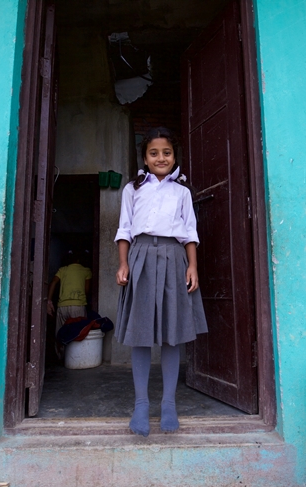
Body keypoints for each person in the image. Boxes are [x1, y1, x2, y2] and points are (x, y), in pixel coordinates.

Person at [115, 127, 208, 436]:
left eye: (166, 153)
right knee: (140, 334)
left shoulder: (182, 192)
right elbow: (124, 229)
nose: (160, 158)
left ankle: (168, 404)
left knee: (172, 334)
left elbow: (190, 232)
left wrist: (192, 266)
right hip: (140, 256)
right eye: (154, 153)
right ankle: (141, 404)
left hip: (173, 258)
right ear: (145, 157)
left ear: (174, 156)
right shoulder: (132, 189)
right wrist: (123, 263)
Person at [47, 250, 92, 337]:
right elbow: (86, 291)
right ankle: (76, 351)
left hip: (62, 307)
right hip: (78, 306)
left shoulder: (62, 270)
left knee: (61, 336)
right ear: (80, 260)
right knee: (78, 335)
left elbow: (53, 282)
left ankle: (61, 351)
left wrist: (49, 301)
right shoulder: (86, 271)